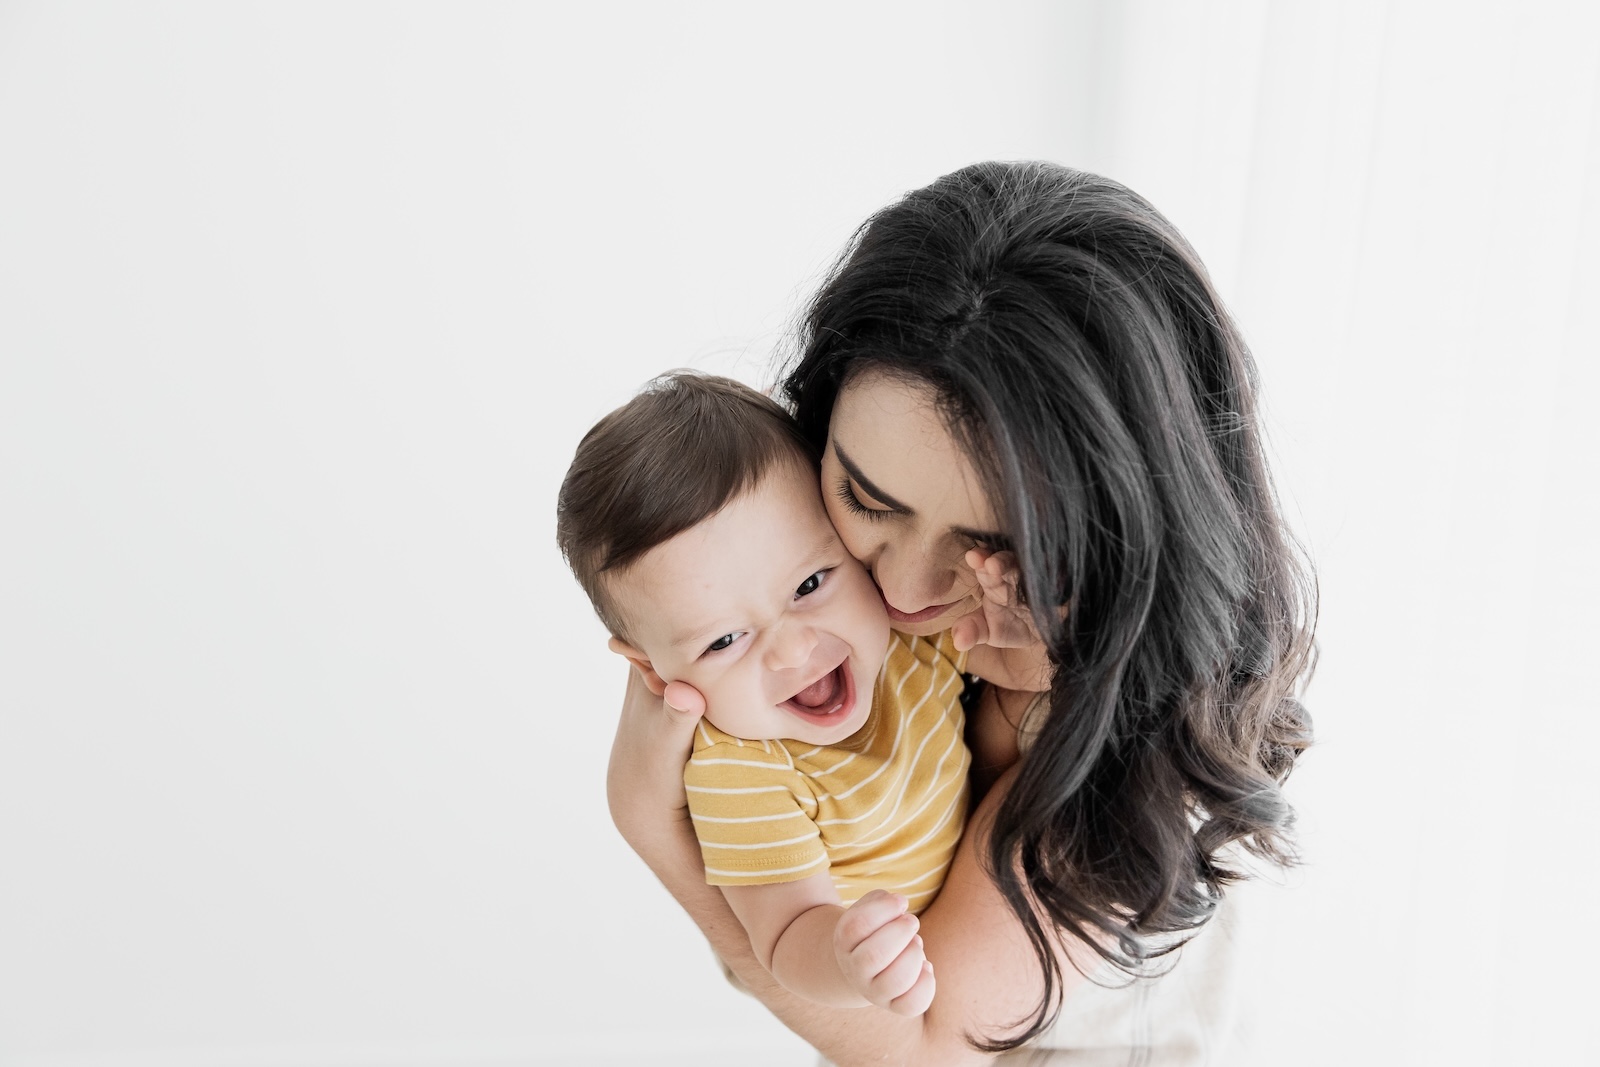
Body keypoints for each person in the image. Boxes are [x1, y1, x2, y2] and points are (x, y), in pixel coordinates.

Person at [606, 161, 1316, 1065]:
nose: (902, 594)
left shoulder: (1141, 749)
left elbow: (927, 1051)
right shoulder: (832, 625)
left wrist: (653, 829)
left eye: (991, 548)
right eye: (867, 502)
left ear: (1121, 534)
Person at [557, 372, 1045, 1016]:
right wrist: (847, 960)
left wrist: (1025, 624)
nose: (792, 651)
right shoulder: (741, 774)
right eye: (725, 640)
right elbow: (786, 935)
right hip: (884, 989)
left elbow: (1029, 670)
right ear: (654, 672)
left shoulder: (896, 639)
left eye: (811, 583)